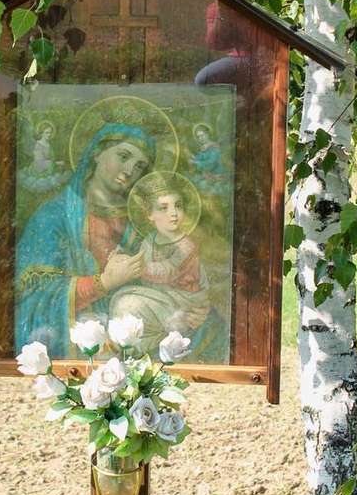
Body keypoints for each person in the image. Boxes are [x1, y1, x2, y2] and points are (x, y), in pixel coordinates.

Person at [14, 123, 155, 356]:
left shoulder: (142, 223)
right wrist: (104, 282)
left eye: (140, 165)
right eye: (123, 156)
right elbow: (37, 296)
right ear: (97, 153)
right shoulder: (53, 217)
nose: (130, 170)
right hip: (78, 340)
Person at [109, 175, 211, 355]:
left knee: (128, 306)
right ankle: (142, 347)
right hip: (161, 297)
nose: (173, 213)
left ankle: (143, 345)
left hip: (184, 301)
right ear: (150, 215)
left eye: (178, 206)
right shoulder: (150, 241)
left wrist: (138, 266)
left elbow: (168, 271)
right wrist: (123, 259)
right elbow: (144, 269)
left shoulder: (186, 245)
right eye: (164, 208)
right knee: (123, 305)